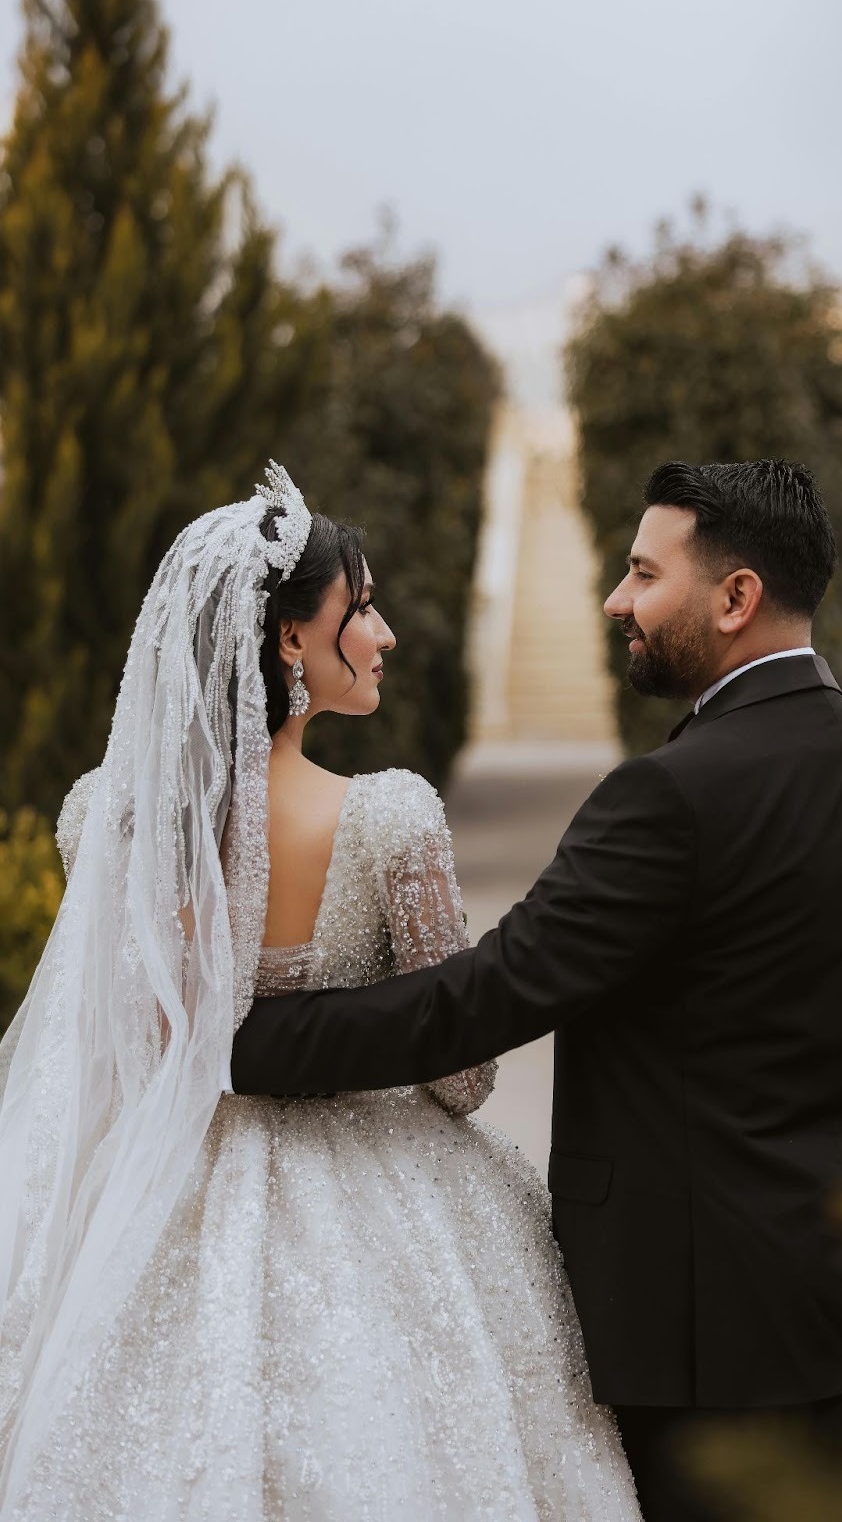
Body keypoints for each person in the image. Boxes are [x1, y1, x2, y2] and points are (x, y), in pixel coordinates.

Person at [233, 459, 842, 1522]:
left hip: (697, 1329)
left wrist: (238, 1042)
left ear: (735, 597)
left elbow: (482, 999)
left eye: (643, 574)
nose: (616, 600)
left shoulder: (668, 797)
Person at [0, 463, 642, 1520]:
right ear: (291, 638)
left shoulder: (105, 816)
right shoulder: (389, 819)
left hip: (153, 1190)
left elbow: (128, 1038)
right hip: (380, 1205)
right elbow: (465, 1080)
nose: (384, 634)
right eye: (363, 607)